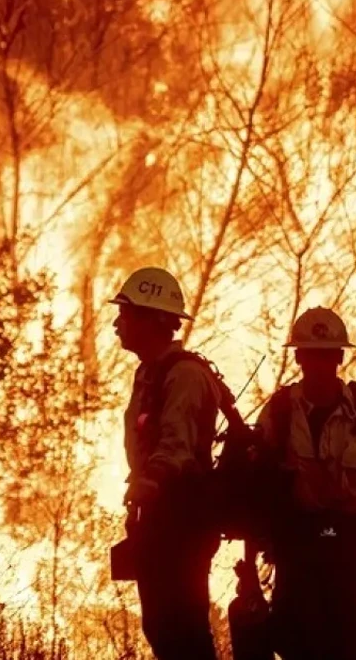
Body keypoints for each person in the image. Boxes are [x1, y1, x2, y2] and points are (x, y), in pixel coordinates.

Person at [254, 307, 356, 660]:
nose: (318, 364)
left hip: (349, 547)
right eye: (311, 355)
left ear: (339, 357)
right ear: (299, 357)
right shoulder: (280, 412)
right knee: (291, 638)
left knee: (347, 641)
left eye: (326, 355)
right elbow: (256, 478)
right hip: (296, 545)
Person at [109, 266, 220, 660]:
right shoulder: (150, 374)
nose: (116, 324)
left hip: (183, 519)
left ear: (153, 319)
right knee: (161, 628)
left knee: (183, 629)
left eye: (126, 315)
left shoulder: (185, 375)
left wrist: (151, 479)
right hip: (158, 518)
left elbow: (178, 445)